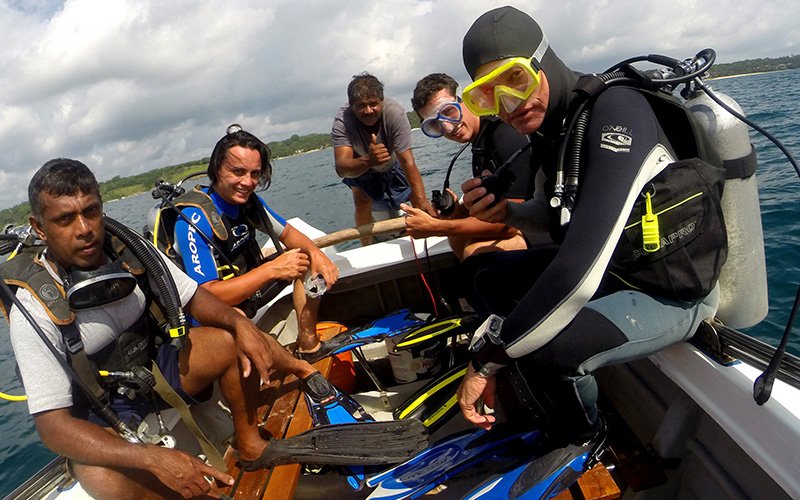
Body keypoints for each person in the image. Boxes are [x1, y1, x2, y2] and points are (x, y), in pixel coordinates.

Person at [455, 6, 726, 443]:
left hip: (668, 290)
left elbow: (577, 269)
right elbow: (554, 216)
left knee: (550, 349)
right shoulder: (555, 126)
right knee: (483, 274)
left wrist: (487, 358)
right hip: (616, 270)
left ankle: (584, 439)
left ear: (544, 59)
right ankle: (535, 390)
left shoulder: (617, 110)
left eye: (516, 79)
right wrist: (507, 214)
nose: (509, 104)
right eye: (486, 95)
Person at [2, 159, 321, 498]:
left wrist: (238, 322)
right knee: (101, 478)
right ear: (39, 228)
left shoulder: (129, 250)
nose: (84, 228)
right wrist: (150, 457)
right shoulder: (35, 305)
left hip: (155, 369)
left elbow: (195, 297)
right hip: (103, 411)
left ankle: (250, 443)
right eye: (65, 219)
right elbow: (52, 426)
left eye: (91, 211)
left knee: (229, 339)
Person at [169, 125, 339, 358]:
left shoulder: (249, 203)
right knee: (237, 318)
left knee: (306, 258)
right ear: (217, 169)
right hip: (213, 312)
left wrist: (317, 255)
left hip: (248, 291)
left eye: (255, 174)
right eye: (238, 172)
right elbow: (207, 296)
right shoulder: (193, 220)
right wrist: (272, 269)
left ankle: (308, 345)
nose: (248, 182)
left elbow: (289, 234)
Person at [407, 72, 547, 261]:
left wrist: (436, 227)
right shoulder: (480, 143)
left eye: (448, 111)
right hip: (519, 221)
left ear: (465, 99)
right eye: (435, 125)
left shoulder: (505, 135)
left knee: (475, 252)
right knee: (457, 235)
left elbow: (513, 222)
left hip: (544, 223)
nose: (448, 128)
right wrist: (457, 212)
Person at [332, 72, 434, 245]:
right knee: (362, 200)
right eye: (361, 106)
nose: (368, 110)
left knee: (415, 194)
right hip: (360, 165)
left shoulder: (395, 113)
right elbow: (341, 168)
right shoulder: (342, 120)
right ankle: (366, 245)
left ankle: (429, 232)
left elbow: (408, 161)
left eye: (373, 104)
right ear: (351, 106)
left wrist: (423, 201)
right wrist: (369, 160)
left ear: (382, 100)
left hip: (393, 162)